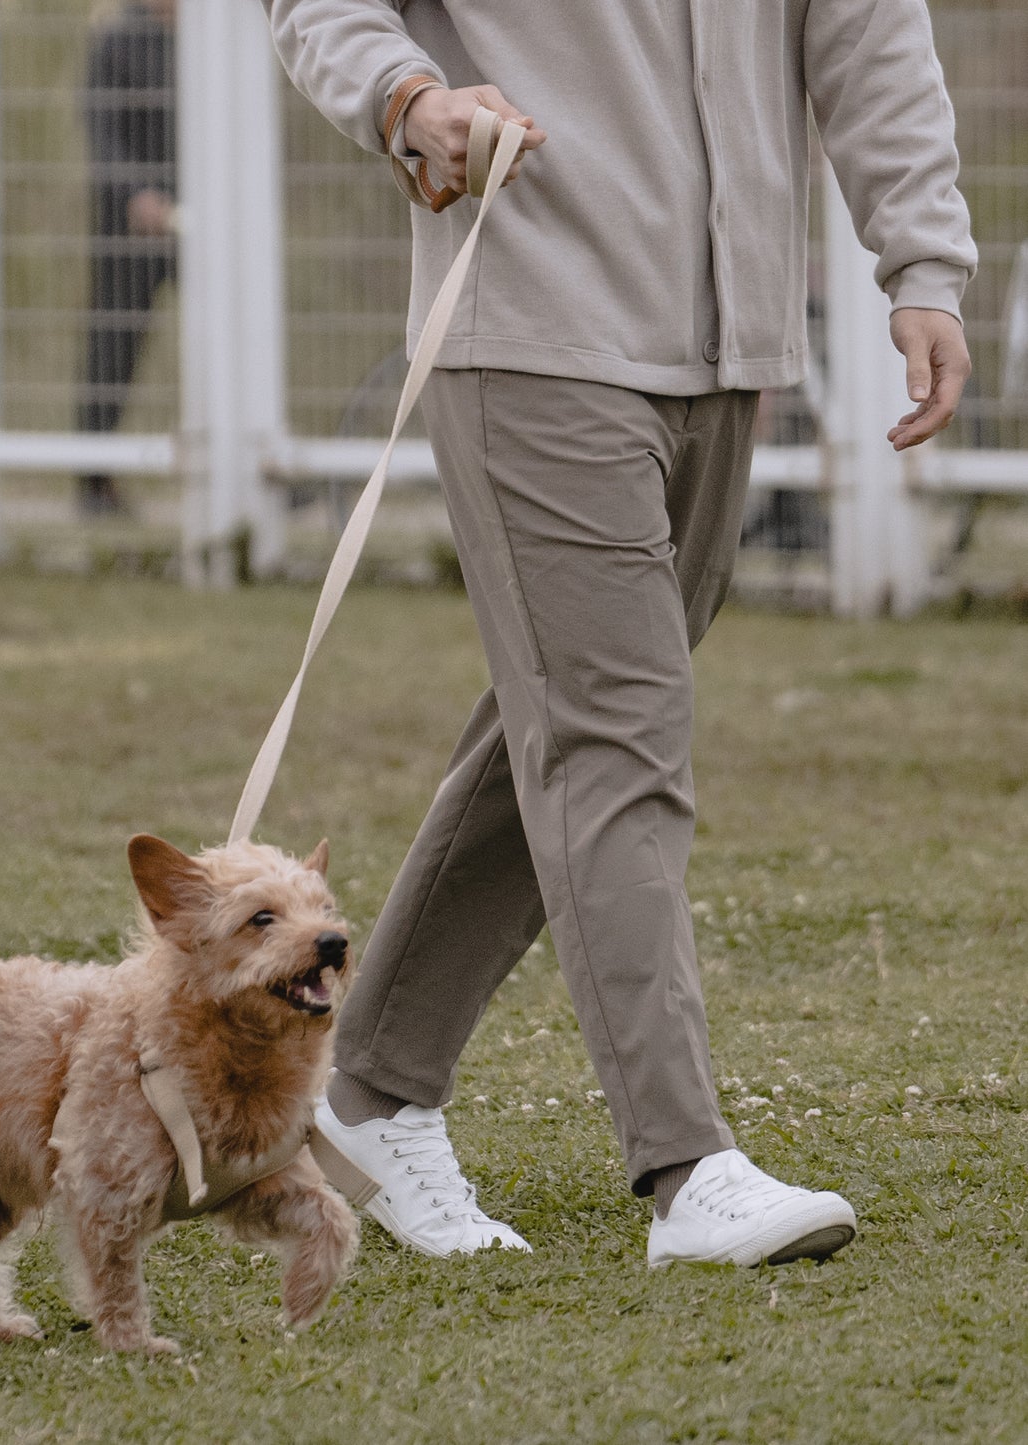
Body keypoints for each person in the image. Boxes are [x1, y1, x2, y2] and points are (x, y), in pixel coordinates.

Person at [262, 0, 975, 1265]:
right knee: (612, 727)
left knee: (580, 709)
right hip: (532, 316)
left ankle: (365, 1088)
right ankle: (687, 1166)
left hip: (723, 349)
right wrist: (406, 97)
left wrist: (920, 262)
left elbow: (868, 33)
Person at [77, 0, 177, 515]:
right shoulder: (116, 40)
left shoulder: (206, 43)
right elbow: (100, 134)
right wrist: (137, 193)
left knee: (236, 335)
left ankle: (251, 458)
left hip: (201, 223)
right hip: (129, 225)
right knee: (112, 349)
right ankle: (93, 484)